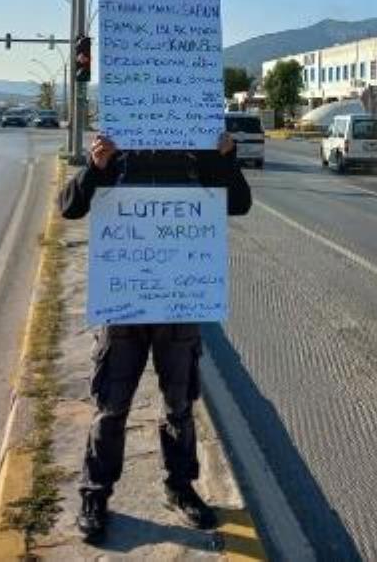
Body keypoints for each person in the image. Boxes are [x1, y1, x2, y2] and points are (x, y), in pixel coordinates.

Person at [60, 132, 252, 543]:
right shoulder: (115, 149)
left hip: (177, 299)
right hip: (125, 300)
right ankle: (95, 494)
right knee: (112, 404)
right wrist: (94, 167)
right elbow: (70, 207)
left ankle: (179, 487)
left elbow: (239, 202)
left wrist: (225, 158)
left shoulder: (198, 152)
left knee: (179, 404)